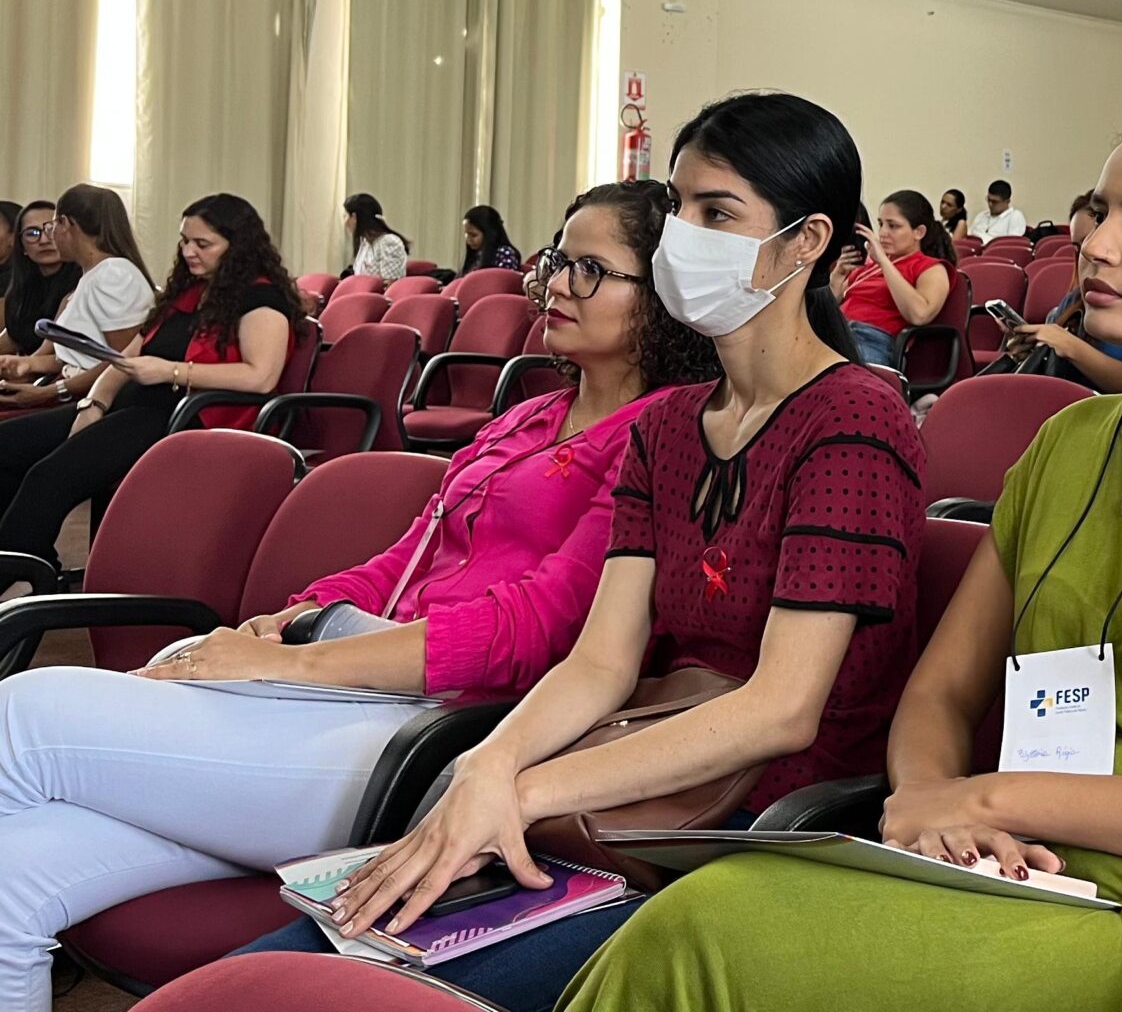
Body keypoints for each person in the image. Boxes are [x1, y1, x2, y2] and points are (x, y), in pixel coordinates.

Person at [558, 106, 1122, 1012]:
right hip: (1015, 865)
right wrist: (931, 802)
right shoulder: (1066, 443)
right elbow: (941, 693)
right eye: (1102, 213)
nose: (1097, 246)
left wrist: (990, 802)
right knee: (707, 912)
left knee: (706, 941)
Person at [251, 92, 927, 1011]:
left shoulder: (853, 419)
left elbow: (781, 710)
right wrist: (492, 767)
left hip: (746, 831)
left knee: (356, 987)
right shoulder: (671, 425)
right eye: (679, 208)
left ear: (804, 242)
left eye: (718, 213)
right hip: (631, 790)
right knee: (297, 960)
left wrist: (524, 792)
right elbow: (601, 662)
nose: (682, 236)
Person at [0, 182, 716, 1012]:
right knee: (12, 879)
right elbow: (406, 558)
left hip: (441, 733)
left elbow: (535, 627)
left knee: (24, 715)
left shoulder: (659, 435)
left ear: (661, 294)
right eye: (559, 260)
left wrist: (293, 666)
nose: (557, 283)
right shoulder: (529, 417)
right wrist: (295, 615)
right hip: (351, 693)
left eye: (591, 269)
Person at [0, 192, 286, 587]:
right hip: (136, 403)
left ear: (238, 246)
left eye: (203, 244)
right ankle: (30, 560)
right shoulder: (189, 291)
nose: (188, 252)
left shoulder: (260, 298)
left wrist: (170, 371)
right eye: (185, 241)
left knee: (50, 476)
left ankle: (20, 572)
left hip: (184, 417)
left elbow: (261, 376)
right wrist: (94, 402)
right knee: (7, 445)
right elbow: (127, 357)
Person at [0, 186, 154, 417]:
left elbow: (122, 363)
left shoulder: (114, 275)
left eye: (52, 226)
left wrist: (49, 391)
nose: (49, 237)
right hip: (70, 390)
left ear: (65, 223)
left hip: (93, 401)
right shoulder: (92, 275)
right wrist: (28, 365)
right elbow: (84, 356)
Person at [1003, 193, 1122, 393]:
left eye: (1092, 239)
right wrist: (1031, 353)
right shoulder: (1073, 302)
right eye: (1078, 248)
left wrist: (1068, 345)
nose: (1089, 253)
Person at [831, 189, 955, 367]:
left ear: (919, 232)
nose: (882, 232)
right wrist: (838, 276)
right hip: (836, 333)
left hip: (870, 340)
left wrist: (884, 262)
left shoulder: (931, 267)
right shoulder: (868, 267)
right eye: (881, 224)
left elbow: (919, 315)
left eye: (893, 226)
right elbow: (827, 307)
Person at [0, 202, 77, 359]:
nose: (44, 240)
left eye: (51, 229)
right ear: (21, 245)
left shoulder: (82, 282)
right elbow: (14, 337)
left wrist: (25, 365)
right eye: (32, 233)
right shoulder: (21, 286)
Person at [344, 194, 410, 281]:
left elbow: (390, 283)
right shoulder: (365, 242)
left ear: (354, 217)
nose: (345, 222)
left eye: (345, 216)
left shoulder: (389, 242)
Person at [460, 204, 523, 273]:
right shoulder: (476, 255)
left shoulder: (505, 254)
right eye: (466, 234)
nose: (468, 240)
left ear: (490, 233)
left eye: (473, 235)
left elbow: (506, 278)